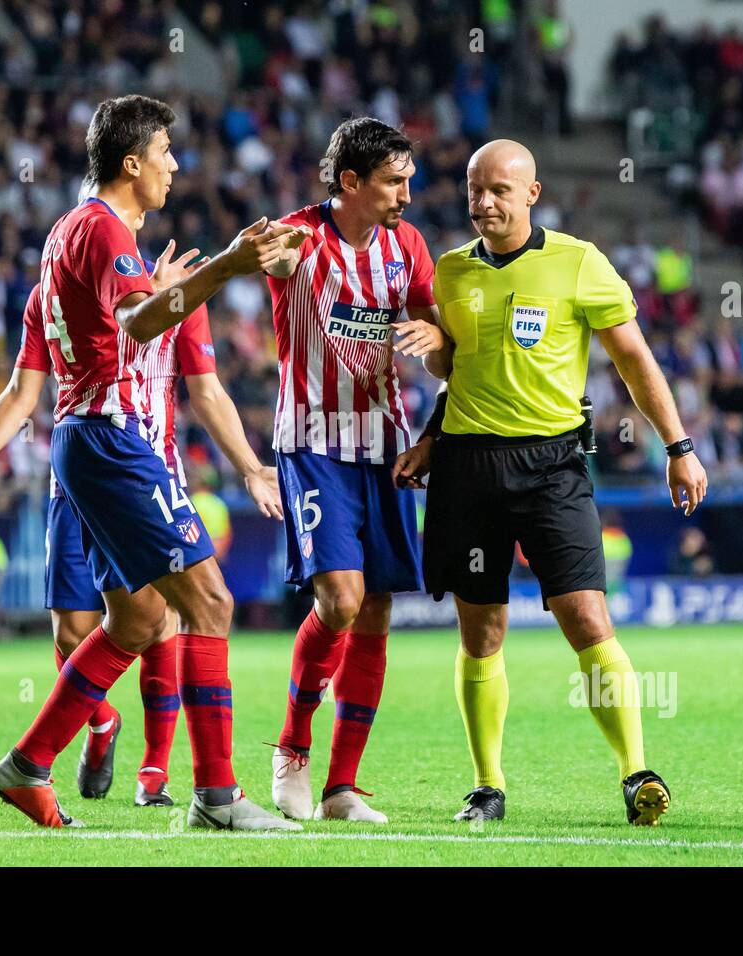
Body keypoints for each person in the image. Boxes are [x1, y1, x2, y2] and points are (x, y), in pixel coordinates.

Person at [0, 94, 300, 830]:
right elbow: (138, 318)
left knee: (138, 620)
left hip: (83, 442)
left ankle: (27, 765)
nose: (175, 167)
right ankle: (217, 796)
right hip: (115, 440)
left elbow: (29, 389)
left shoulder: (63, 237)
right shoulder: (102, 230)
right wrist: (225, 267)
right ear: (132, 163)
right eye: (165, 154)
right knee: (210, 602)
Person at [394, 139, 708, 826]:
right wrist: (427, 438)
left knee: (588, 618)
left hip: (553, 466)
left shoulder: (578, 263)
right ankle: (487, 785)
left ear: (532, 194)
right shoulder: (449, 274)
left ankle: (636, 773)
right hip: (467, 467)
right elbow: (465, 374)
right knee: (482, 632)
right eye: (476, 189)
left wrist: (678, 445)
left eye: (501, 189)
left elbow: (635, 362)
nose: (484, 202)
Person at [259, 117, 446, 823]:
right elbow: (266, 268)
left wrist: (435, 341)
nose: (406, 194)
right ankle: (291, 750)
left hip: (386, 443)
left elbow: (438, 353)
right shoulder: (298, 238)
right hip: (311, 442)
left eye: (408, 180)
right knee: (338, 599)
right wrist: (260, 264)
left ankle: (342, 786)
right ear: (351, 182)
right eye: (394, 182)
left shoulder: (408, 246)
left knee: (374, 612)